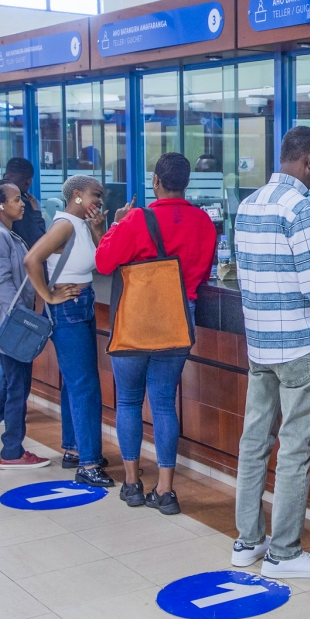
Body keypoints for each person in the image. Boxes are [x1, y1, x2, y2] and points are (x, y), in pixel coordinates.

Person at [231, 126, 310, 578]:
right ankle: (284, 553)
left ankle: (248, 542)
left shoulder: (248, 205)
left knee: (254, 441)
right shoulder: (299, 208)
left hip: (260, 342)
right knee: (293, 449)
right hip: (300, 347)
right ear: (308, 159)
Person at [96, 153, 215, 515]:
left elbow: (104, 263)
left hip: (135, 321)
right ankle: (166, 491)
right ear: (187, 182)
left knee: (129, 401)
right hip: (179, 319)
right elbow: (203, 274)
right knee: (163, 403)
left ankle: (132, 484)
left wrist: (114, 226)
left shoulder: (135, 219)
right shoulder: (204, 222)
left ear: (156, 182)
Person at [0, 180, 78, 470]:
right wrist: (22, 318)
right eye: (16, 199)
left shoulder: (3, 232)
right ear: (0, 206)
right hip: (6, 324)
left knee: (11, 386)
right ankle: (7, 449)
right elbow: (1, 282)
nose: (22, 203)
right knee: (15, 387)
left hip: (7, 322)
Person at [23, 175, 113, 488]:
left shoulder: (80, 224)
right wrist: (48, 296)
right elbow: (32, 259)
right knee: (85, 384)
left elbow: (104, 263)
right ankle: (89, 464)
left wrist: (98, 229)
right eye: (95, 195)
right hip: (68, 307)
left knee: (75, 382)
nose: (99, 201)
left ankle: (75, 449)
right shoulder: (63, 225)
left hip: (81, 302)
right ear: (76, 195)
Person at [3, 157, 47, 249]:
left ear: (4, 175)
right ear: (28, 181)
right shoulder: (22, 203)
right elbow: (39, 241)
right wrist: (36, 212)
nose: (20, 204)